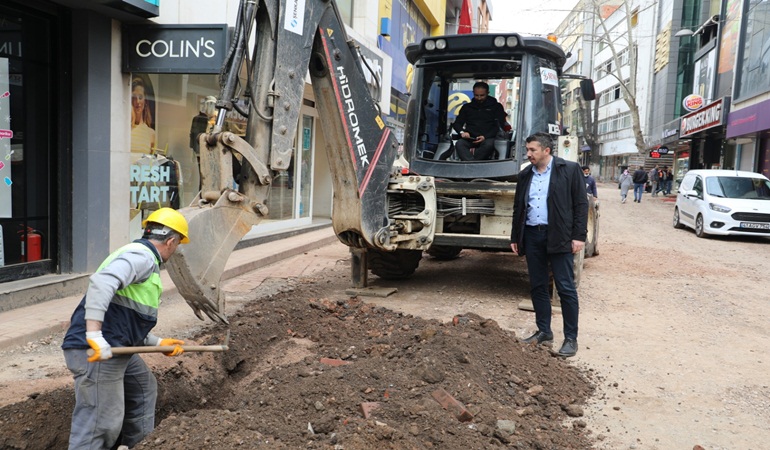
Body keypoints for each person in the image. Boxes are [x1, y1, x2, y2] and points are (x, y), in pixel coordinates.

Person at [61, 208, 190, 449]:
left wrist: (158, 343)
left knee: (143, 388)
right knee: (100, 424)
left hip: (116, 346)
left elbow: (124, 318)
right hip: (96, 350)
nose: (177, 249)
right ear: (171, 241)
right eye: (179, 243)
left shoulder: (143, 260)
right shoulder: (140, 257)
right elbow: (102, 283)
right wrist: (94, 336)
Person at [510, 133, 588, 357]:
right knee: (537, 285)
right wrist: (516, 237)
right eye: (528, 150)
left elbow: (581, 205)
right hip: (532, 235)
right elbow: (518, 207)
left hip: (559, 235)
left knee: (565, 287)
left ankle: (571, 339)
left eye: (533, 150)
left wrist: (579, 236)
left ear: (546, 150)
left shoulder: (569, 170)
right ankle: (544, 332)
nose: (528, 154)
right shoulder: (525, 174)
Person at [451, 81, 509, 161]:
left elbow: (499, 126)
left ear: (487, 93)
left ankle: (471, 164)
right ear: (473, 93)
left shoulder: (496, 107)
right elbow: (457, 123)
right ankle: (472, 164)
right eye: (476, 95)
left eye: (482, 95)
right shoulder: (467, 107)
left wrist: (485, 137)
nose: (479, 98)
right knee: (460, 144)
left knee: (489, 144)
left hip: (488, 138)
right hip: (470, 138)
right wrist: (462, 132)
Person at [131, 77, 156, 154]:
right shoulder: (123, 130)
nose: (137, 101)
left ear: (145, 101)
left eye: (140, 97)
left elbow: (152, 163)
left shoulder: (151, 134)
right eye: (134, 97)